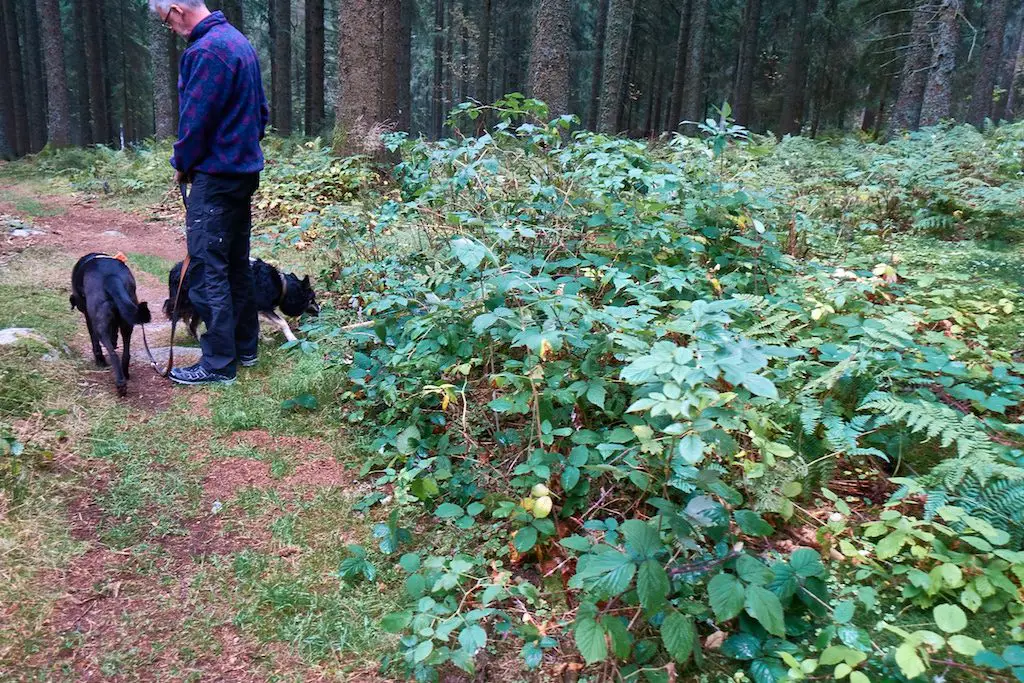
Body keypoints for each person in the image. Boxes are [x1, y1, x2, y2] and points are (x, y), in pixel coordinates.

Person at [150, 0, 269, 385]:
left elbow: (195, 121)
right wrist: (244, 148)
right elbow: (261, 112)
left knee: (208, 267)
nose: (169, 28)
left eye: (165, 20)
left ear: (177, 8)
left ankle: (218, 363)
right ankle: (245, 347)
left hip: (216, 178)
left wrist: (182, 162)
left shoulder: (205, 51)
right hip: (242, 174)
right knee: (236, 262)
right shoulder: (237, 42)